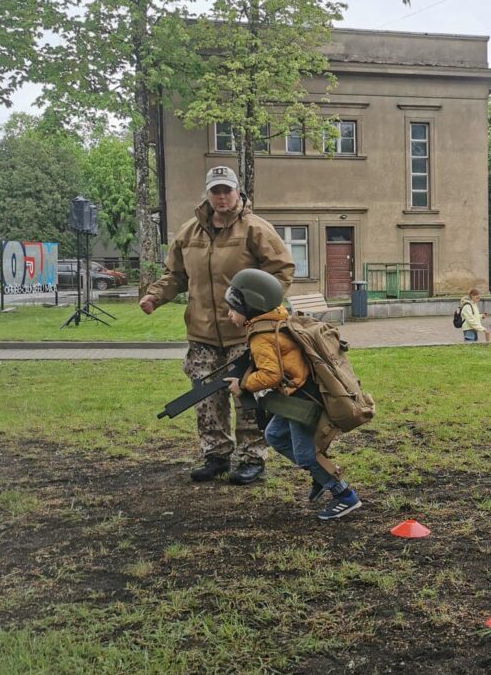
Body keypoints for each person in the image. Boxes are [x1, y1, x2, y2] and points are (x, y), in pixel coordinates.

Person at [140, 165, 294, 484]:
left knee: (247, 396)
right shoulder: (188, 233)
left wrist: (255, 310)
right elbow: (175, 276)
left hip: (246, 334)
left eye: (227, 190)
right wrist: (155, 296)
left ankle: (252, 458)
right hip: (203, 334)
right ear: (208, 195)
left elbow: (281, 272)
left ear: (238, 192)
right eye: (216, 191)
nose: (222, 197)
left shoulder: (256, 230)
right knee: (207, 397)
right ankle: (216, 455)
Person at [222, 269, 362, 520]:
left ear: (251, 307)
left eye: (232, 308)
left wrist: (242, 385)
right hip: (296, 396)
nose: (229, 314)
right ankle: (321, 476)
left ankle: (345, 496)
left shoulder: (262, 336)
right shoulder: (275, 321)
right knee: (274, 435)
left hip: (302, 401)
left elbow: (271, 376)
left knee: (305, 454)